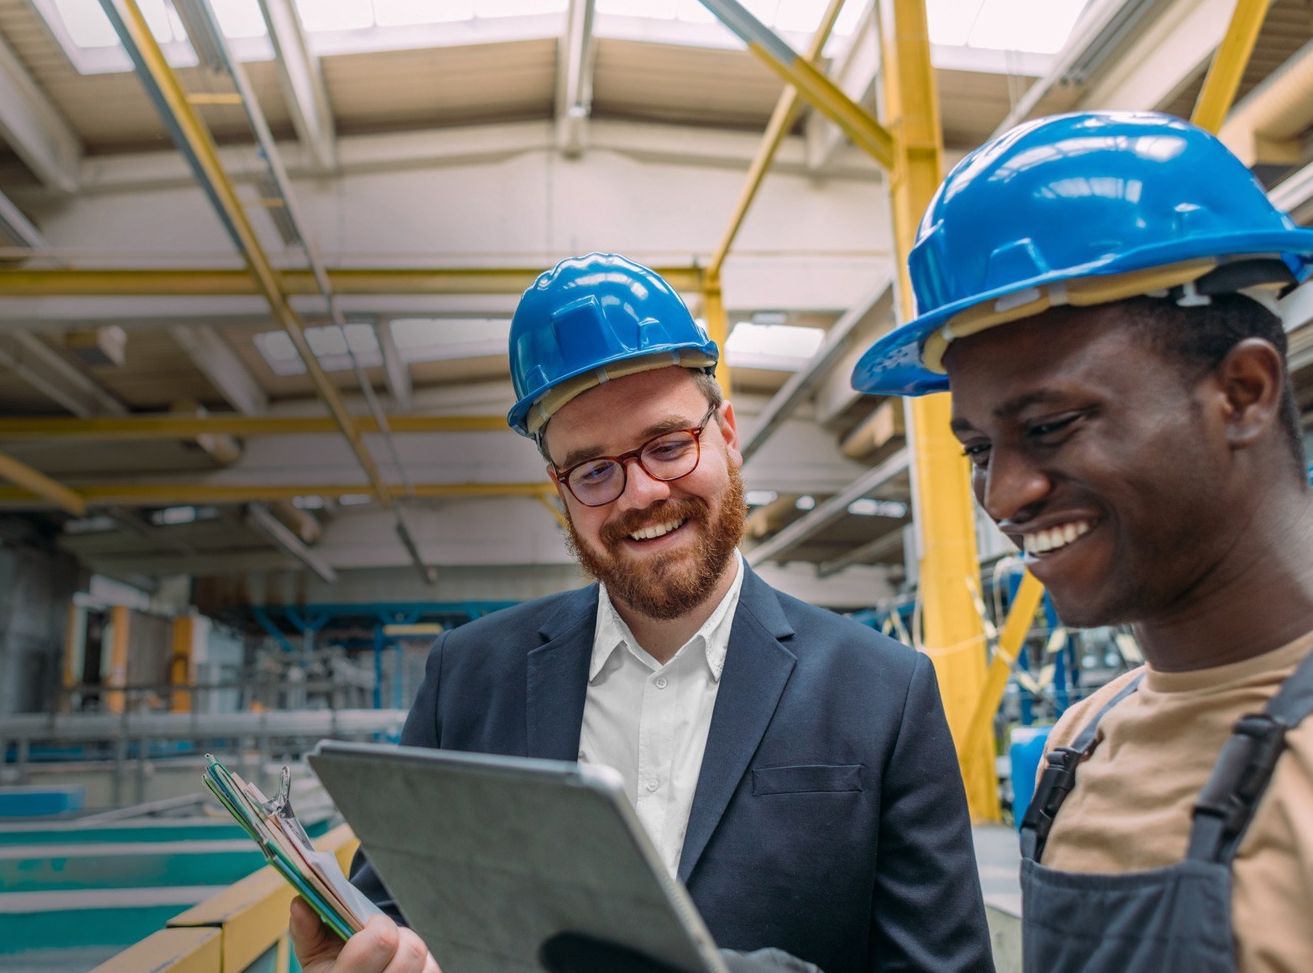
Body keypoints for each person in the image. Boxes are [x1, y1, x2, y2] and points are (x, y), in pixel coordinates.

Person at [293, 253, 993, 973]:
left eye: (667, 445)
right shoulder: (468, 680)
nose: (640, 495)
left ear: (726, 435)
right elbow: (401, 916)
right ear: (558, 490)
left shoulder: (884, 692)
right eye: (594, 471)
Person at [849, 110, 1313, 973]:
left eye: (1052, 425)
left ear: (1243, 393)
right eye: (980, 450)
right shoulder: (1079, 745)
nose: (1005, 494)